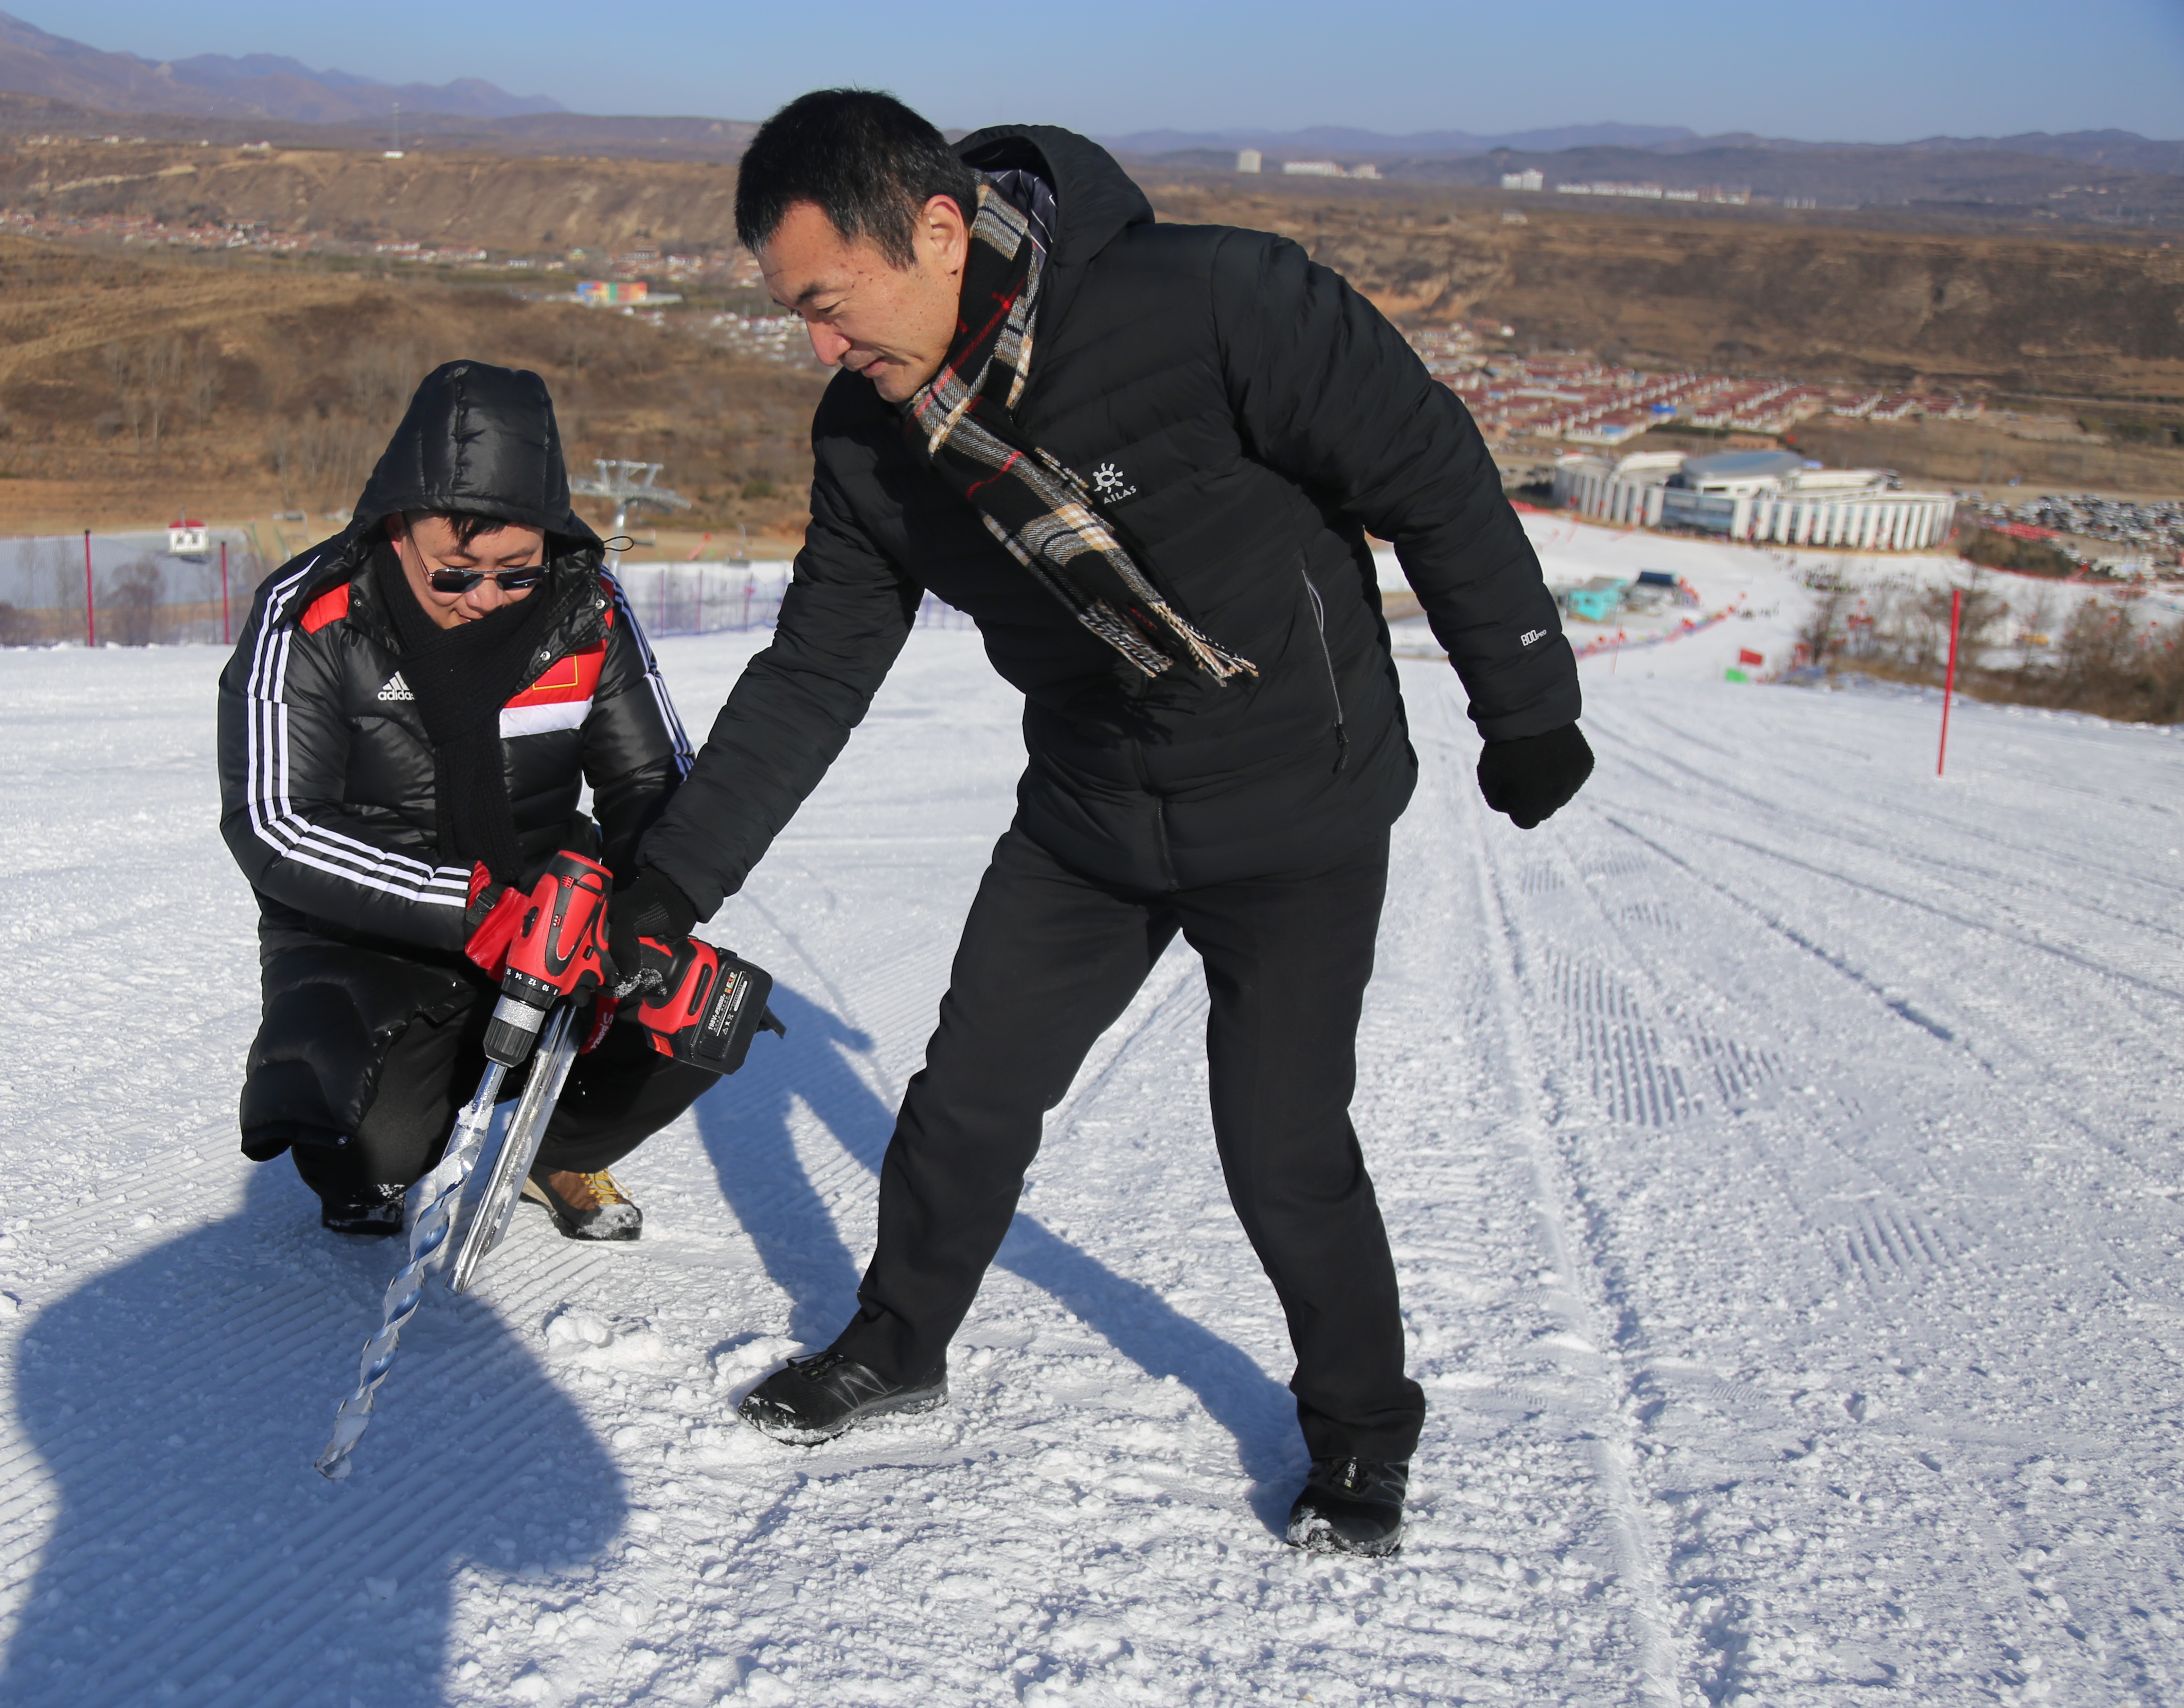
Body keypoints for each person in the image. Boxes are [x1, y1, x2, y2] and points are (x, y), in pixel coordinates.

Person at [606, 93, 1596, 1556]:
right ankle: (898, 1345)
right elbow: (815, 673)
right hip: (1092, 808)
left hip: (1298, 801)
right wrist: (669, 883)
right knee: (970, 1093)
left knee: (1279, 1143)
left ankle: (1365, 1429)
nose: (819, 346)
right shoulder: (875, 445)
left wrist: (1523, 704)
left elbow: (1428, 468)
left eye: (828, 303)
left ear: (938, 232)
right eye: (793, 316)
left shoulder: (1214, 304)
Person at [218, 360, 709, 1242]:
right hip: (374, 928)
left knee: (698, 1011)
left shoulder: (587, 607)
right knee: (361, 1143)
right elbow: (274, 824)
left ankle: (553, 1148)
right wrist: (474, 908)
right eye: (456, 573)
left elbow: (652, 781)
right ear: (399, 526)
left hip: (552, 911)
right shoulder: (314, 616)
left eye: (516, 571)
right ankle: (384, 1146)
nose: (485, 598)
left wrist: (644, 912)